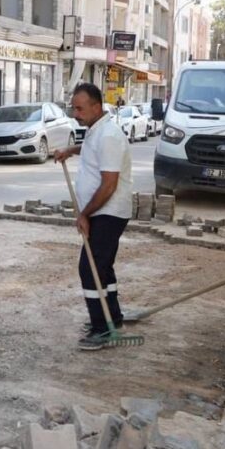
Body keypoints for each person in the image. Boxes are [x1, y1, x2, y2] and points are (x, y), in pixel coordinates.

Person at [54, 82, 133, 351]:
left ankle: (102, 329)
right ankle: (113, 318)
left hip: (107, 212)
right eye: (74, 107)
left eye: (79, 108)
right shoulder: (96, 130)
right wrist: (69, 151)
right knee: (103, 267)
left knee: (90, 270)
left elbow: (109, 184)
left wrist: (85, 214)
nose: (75, 113)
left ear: (96, 107)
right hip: (103, 211)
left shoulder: (108, 135)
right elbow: (91, 152)